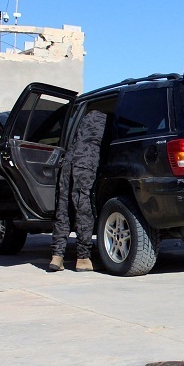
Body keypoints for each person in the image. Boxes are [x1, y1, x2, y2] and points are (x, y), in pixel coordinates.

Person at [49, 109, 107, 272]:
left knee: (63, 209)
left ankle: (57, 256)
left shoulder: (83, 122)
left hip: (68, 161)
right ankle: (83, 258)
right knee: (83, 208)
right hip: (86, 163)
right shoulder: (104, 121)